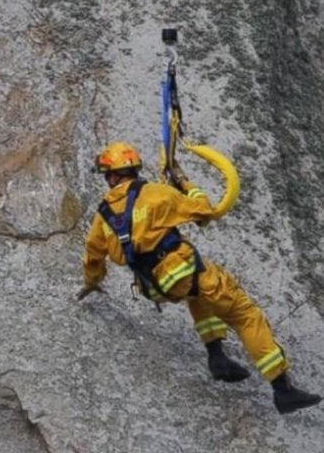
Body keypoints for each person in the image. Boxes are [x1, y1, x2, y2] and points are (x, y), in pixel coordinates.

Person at [79, 141, 321, 415]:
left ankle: (217, 358)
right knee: (244, 315)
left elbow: (93, 257)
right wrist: (182, 179)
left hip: (152, 287)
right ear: (133, 168)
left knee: (197, 294)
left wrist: (91, 282)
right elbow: (205, 211)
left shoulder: (103, 215)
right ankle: (283, 390)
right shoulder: (156, 193)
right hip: (180, 271)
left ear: (112, 175)